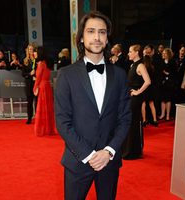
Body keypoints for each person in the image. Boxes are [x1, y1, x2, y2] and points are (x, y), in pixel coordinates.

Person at [54, 11, 131, 200]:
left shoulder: (120, 75)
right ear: (81, 38)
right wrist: (89, 155)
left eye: (102, 32)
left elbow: (125, 118)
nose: (97, 37)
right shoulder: (66, 75)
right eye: (91, 31)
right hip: (78, 160)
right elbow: (63, 122)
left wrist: (109, 151)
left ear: (107, 39)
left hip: (109, 161)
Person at [122, 44, 151, 160]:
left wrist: (138, 92)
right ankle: (129, 149)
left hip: (135, 99)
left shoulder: (140, 66)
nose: (128, 53)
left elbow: (148, 81)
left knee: (132, 124)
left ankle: (132, 151)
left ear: (136, 53)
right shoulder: (133, 65)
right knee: (129, 123)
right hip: (130, 98)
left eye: (130, 51)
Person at [33, 46, 57, 136]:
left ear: (39, 53)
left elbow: (38, 78)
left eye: (35, 52)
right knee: (48, 108)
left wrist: (35, 87)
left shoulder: (40, 64)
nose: (34, 53)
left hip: (42, 87)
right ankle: (49, 129)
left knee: (42, 108)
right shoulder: (47, 63)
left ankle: (41, 130)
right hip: (47, 86)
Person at [22, 44, 37, 124]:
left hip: (36, 83)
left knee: (37, 102)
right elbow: (23, 74)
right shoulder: (25, 60)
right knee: (30, 102)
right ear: (27, 50)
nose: (31, 51)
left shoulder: (37, 60)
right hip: (29, 84)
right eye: (29, 49)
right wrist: (29, 74)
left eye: (32, 49)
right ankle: (29, 118)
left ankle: (38, 117)